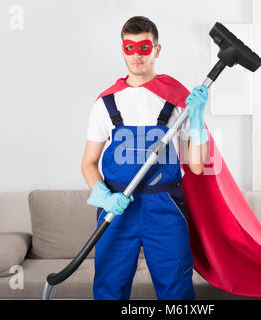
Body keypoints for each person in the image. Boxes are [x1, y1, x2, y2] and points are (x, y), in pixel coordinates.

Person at [81, 16, 209, 300]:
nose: (137, 55)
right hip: (118, 208)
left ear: (157, 49)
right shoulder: (105, 103)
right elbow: (88, 162)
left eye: (144, 47)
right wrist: (102, 195)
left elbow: (198, 166)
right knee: (108, 289)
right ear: (122, 49)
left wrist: (197, 118)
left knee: (175, 288)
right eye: (129, 48)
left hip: (164, 208)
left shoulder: (178, 100)